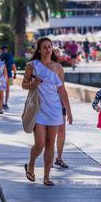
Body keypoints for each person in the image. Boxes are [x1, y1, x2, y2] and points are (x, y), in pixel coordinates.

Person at [23, 37, 73, 186]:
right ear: (39, 50)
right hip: (38, 109)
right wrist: (33, 84)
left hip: (55, 110)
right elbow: (24, 85)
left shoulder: (58, 68)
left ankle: (46, 177)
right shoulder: (33, 65)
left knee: (51, 144)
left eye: (49, 47)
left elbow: (62, 90)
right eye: (44, 47)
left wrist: (69, 111)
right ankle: (31, 164)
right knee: (40, 143)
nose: (47, 49)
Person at [53, 47, 68, 168]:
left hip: (60, 102)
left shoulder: (60, 68)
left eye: (59, 55)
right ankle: (49, 157)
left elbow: (62, 88)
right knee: (52, 131)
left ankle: (59, 157)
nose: (58, 57)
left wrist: (67, 106)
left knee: (62, 130)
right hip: (50, 102)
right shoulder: (46, 67)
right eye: (55, 54)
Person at [0, 45, 17, 109]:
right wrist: (15, 74)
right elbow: (13, 65)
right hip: (9, 75)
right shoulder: (10, 56)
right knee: (7, 90)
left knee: (1, 90)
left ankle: (1, 103)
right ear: (6, 49)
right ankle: (5, 103)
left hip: (1, 76)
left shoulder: (0, 56)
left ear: (1, 50)